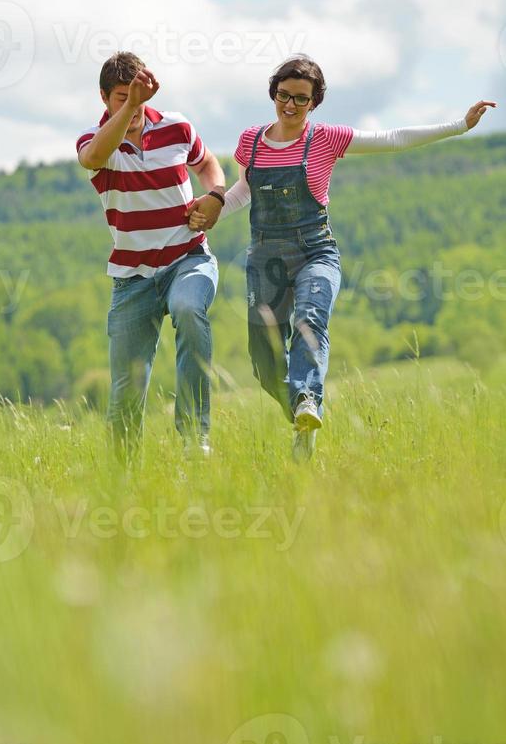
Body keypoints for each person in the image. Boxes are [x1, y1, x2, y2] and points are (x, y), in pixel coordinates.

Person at [189, 55, 496, 462]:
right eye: (284, 95)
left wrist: (459, 126)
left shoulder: (327, 138)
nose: (291, 105)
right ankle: (300, 417)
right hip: (265, 257)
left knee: (310, 318)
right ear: (273, 94)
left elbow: (392, 138)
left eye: (301, 98)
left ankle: (306, 400)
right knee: (264, 361)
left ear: (315, 102)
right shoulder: (252, 140)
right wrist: (211, 214)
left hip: (316, 251)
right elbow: (246, 192)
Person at [77, 52, 226, 461]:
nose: (135, 106)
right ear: (104, 98)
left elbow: (209, 163)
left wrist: (215, 196)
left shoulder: (177, 127)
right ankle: (123, 478)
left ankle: (195, 442)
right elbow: (92, 159)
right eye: (123, 97)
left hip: (187, 258)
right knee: (128, 384)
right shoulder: (95, 142)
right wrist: (128, 110)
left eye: (140, 97)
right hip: (132, 277)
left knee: (189, 310)